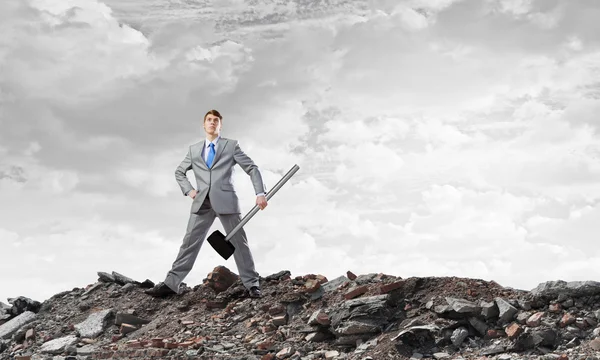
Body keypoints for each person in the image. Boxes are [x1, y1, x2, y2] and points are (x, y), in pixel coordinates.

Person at [145, 109, 267, 298]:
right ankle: (171, 283)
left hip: (226, 201)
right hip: (202, 203)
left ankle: (252, 284)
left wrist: (260, 193)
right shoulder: (194, 149)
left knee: (239, 243)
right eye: (209, 120)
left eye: (216, 120)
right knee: (189, 243)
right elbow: (179, 172)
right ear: (204, 124)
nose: (212, 123)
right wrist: (189, 190)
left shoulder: (231, 146)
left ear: (220, 125)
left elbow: (251, 168)